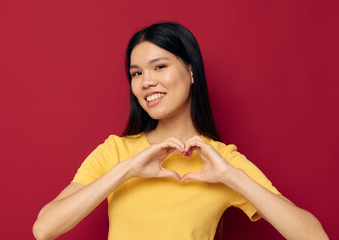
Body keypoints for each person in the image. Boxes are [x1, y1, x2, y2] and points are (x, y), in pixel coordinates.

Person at [33, 22, 328, 240]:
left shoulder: (222, 161)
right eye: (136, 73)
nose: (145, 81)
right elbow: (44, 228)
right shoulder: (116, 152)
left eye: (159, 67)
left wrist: (230, 176)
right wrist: (127, 170)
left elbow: (314, 236)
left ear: (191, 71)